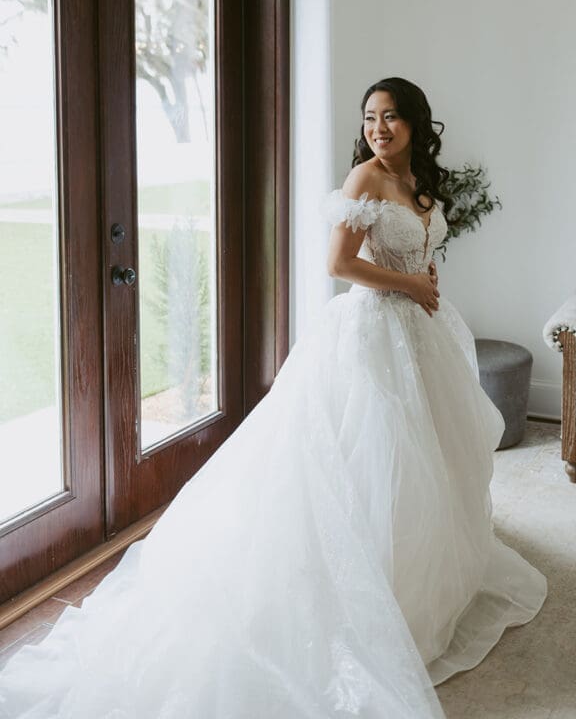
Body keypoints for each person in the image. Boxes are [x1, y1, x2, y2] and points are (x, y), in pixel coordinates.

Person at [0, 77, 546, 719]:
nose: (379, 128)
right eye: (370, 117)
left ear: (417, 124)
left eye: (392, 117)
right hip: (372, 332)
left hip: (418, 332)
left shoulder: (421, 183)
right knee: (369, 459)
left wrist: (425, 280)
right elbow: (339, 265)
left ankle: (419, 583)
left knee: (425, 459)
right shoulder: (363, 181)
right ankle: (362, 592)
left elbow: (422, 245)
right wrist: (407, 283)